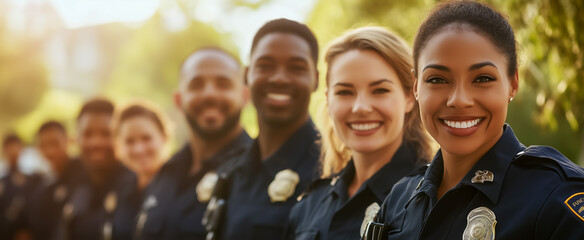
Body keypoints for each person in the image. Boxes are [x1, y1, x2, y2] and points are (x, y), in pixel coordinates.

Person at [363, 1, 584, 239]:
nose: (459, 100)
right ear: (416, 87)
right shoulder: (399, 199)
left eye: (482, 78)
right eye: (437, 79)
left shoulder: (556, 197)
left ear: (513, 84)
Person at [285, 26, 434, 240]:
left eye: (380, 90)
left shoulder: (435, 201)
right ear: (328, 100)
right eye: (345, 92)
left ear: (410, 96)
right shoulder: (308, 206)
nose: (360, 107)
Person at [204, 18, 321, 240]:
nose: (279, 78)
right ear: (247, 75)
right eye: (265, 66)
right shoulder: (230, 171)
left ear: (315, 79)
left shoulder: (333, 172)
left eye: (296, 67)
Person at [134, 47, 252, 240]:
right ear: (178, 100)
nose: (209, 94)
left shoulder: (258, 173)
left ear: (245, 96)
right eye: (196, 85)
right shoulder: (164, 173)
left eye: (223, 84)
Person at [62, 98, 135, 240]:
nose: (96, 143)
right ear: (77, 138)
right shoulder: (73, 183)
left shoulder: (137, 187)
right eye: (88, 134)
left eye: (106, 134)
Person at [28, 120, 85, 240]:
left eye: (55, 143)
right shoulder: (46, 185)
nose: (50, 151)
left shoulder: (85, 174)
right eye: (43, 145)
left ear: (68, 141)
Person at [0, 134, 42, 240]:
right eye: (9, 147)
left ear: (22, 149)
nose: (13, 151)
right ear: (4, 150)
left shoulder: (33, 179)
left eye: (16, 147)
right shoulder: (2, 182)